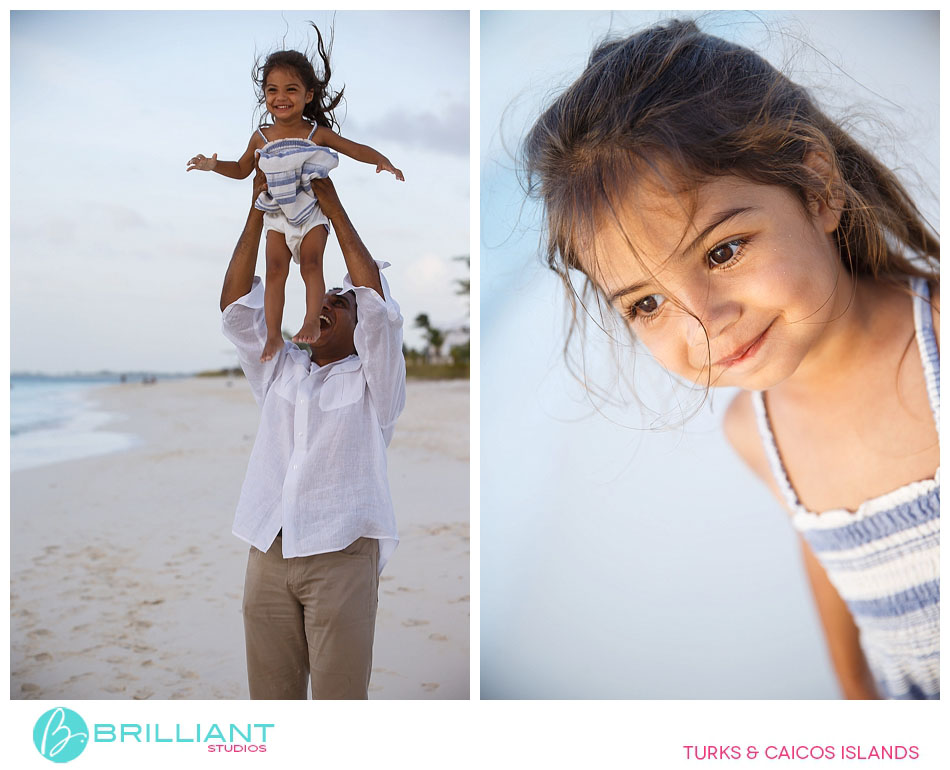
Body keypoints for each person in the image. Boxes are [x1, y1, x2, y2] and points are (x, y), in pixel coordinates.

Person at [522, 19, 938, 699]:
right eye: (646, 305)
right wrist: (857, 693)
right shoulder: (755, 432)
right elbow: (826, 554)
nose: (705, 324)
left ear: (817, 187)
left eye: (722, 251)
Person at [220, 168, 406, 699]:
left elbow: (377, 309)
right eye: (318, 295)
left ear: (356, 322)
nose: (321, 303)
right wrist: (259, 211)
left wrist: (332, 204)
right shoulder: (279, 367)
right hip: (268, 550)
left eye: (336, 302)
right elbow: (235, 310)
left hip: (342, 553)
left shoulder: (378, 383)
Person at [191, 25, 404, 363]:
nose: (281, 97)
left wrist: (382, 160)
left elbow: (353, 148)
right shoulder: (261, 137)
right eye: (273, 90)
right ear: (264, 95)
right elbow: (244, 170)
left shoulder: (316, 133)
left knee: (310, 264)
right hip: (276, 214)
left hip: (311, 212)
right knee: (275, 270)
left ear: (308, 95)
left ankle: (309, 321)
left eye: (291, 89)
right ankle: (274, 336)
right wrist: (213, 166)